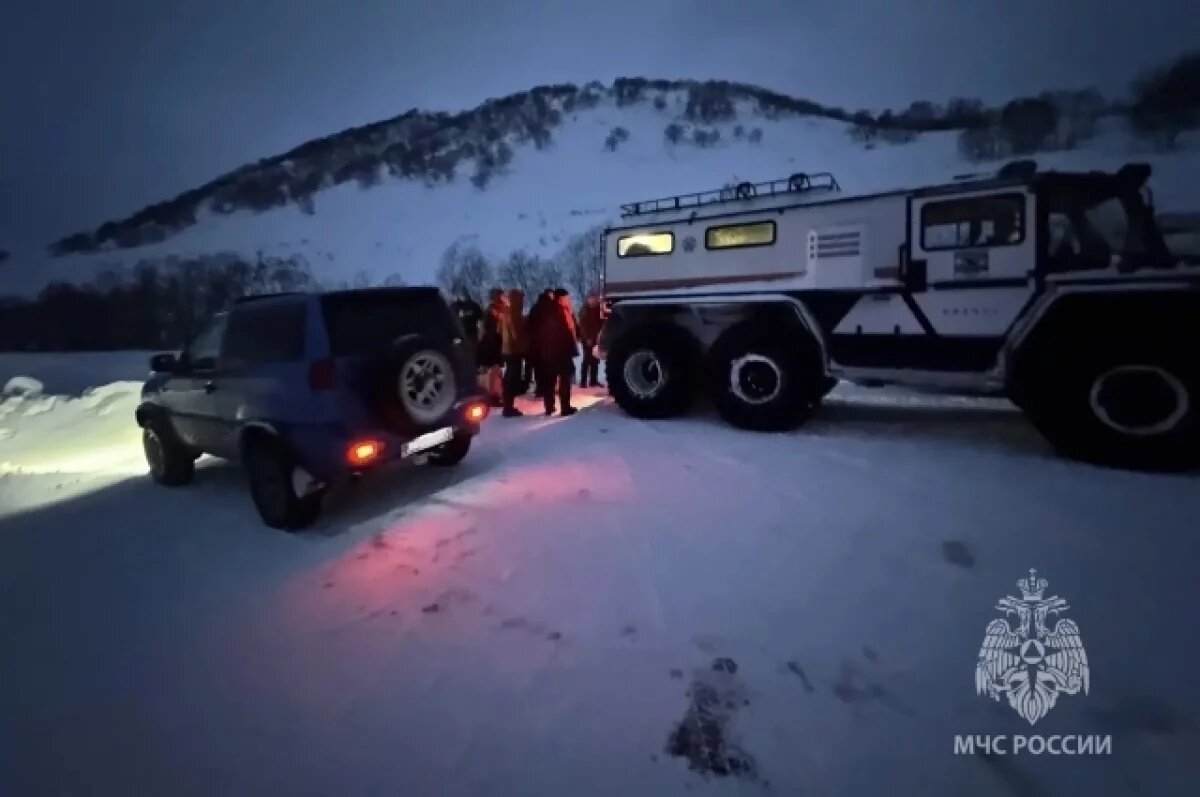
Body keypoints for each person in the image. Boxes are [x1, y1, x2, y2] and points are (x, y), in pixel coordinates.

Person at [534, 288, 578, 416]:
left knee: (550, 380)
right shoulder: (558, 311)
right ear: (560, 298)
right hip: (560, 351)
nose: (568, 300)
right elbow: (563, 331)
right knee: (563, 379)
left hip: (550, 351)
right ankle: (565, 407)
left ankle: (549, 407)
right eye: (566, 298)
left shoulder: (549, 309)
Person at [499, 288, 526, 417]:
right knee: (512, 378)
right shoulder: (514, 312)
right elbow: (517, 333)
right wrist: (523, 346)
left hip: (507, 349)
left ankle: (507, 405)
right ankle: (508, 407)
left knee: (510, 376)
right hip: (513, 349)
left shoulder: (506, 311)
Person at [525, 288, 555, 396]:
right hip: (545, 343)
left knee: (538, 367)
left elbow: (529, 325)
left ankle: (540, 388)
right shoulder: (549, 308)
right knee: (546, 367)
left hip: (534, 343)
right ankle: (546, 389)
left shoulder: (535, 308)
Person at [478, 289, 505, 407]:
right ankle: (494, 395)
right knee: (494, 369)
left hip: (493, 342)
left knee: (495, 370)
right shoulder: (493, 310)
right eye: (500, 296)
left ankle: (495, 394)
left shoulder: (493, 309)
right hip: (493, 342)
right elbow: (493, 327)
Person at [576, 293, 603, 388]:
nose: (594, 301)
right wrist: (587, 338)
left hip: (596, 337)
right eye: (592, 299)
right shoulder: (585, 310)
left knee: (595, 359)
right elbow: (583, 326)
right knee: (587, 359)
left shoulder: (598, 310)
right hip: (587, 338)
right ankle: (583, 381)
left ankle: (593, 380)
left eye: (595, 299)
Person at [450, 293, 484, 367]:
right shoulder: (473, 305)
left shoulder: (454, 306)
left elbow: (481, 318)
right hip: (465, 335)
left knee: (466, 353)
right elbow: (481, 317)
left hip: (465, 335)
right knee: (468, 353)